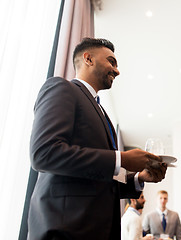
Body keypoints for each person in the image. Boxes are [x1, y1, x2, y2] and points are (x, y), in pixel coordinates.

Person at [28, 37, 167, 240]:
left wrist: (139, 178)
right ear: (88, 59)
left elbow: (98, 179)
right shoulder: (61, 88)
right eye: (111, 61)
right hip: (65, 230)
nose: (117, 71)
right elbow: (44, 153)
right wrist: (123, 159)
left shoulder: (102, 112)